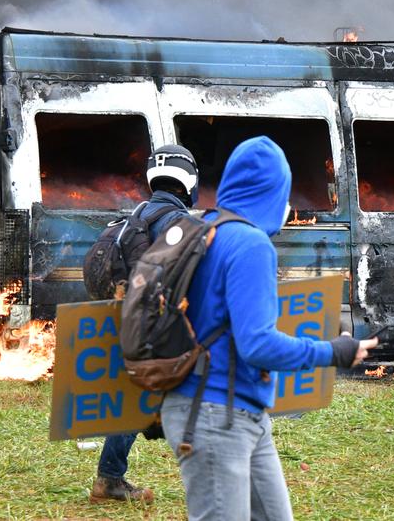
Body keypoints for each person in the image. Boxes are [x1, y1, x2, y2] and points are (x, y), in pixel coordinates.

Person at [162, 136, 378, 520]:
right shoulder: (250, 244)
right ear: (272, 192)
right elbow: (257, 344)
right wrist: (332, 351)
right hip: (215, 414)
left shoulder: (206, 228)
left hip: (242, 412)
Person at [90, 144, 201, 504]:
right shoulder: (180, 223)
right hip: (162, 326)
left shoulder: (135, 216)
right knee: (170, 393)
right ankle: (110, 479)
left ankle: (110, 478)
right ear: (189, 182)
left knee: (141, 395)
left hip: (132, 322)